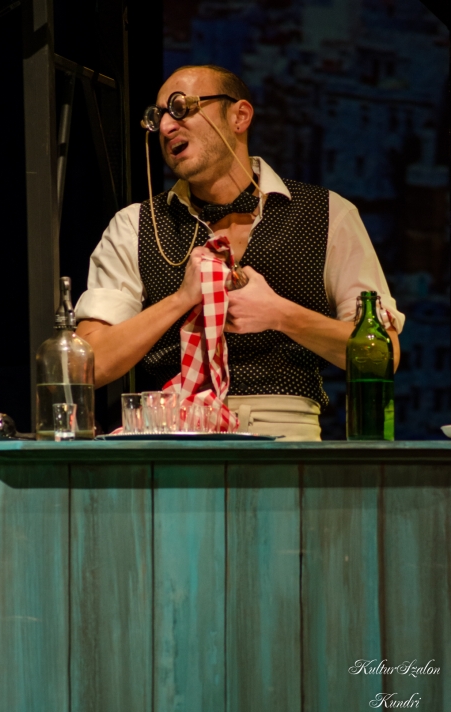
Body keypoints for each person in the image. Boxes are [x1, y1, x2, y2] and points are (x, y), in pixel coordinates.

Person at [75, 64, 404, 439]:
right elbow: (88, 366)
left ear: (239, 116)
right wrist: (180, 300)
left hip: (284, 432)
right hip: (174, 430)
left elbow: (383, 355)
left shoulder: (327, 213)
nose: (165, 127)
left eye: (180, 108)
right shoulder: (135, 225)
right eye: (158, 116)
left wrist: (281, 315)